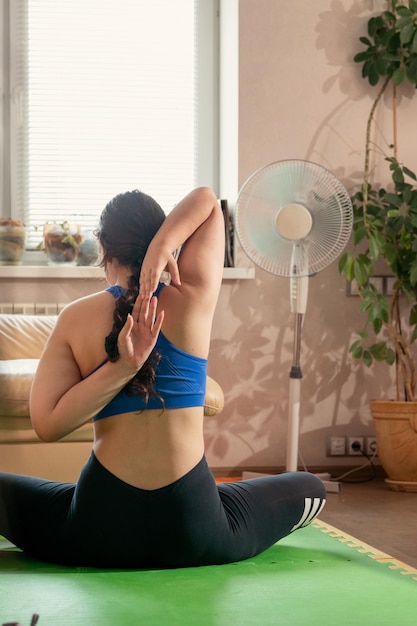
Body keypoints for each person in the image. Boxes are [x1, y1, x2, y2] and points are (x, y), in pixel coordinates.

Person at [0, 187, 326, 568]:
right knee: (311, 487)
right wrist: (165, 247)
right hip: (195, 528)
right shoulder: (192, 295)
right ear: (164, 233)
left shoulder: (75, 317)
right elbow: (208, 201)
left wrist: (119, 369)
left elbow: (48, 425)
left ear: (104, 249)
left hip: (98, 529)